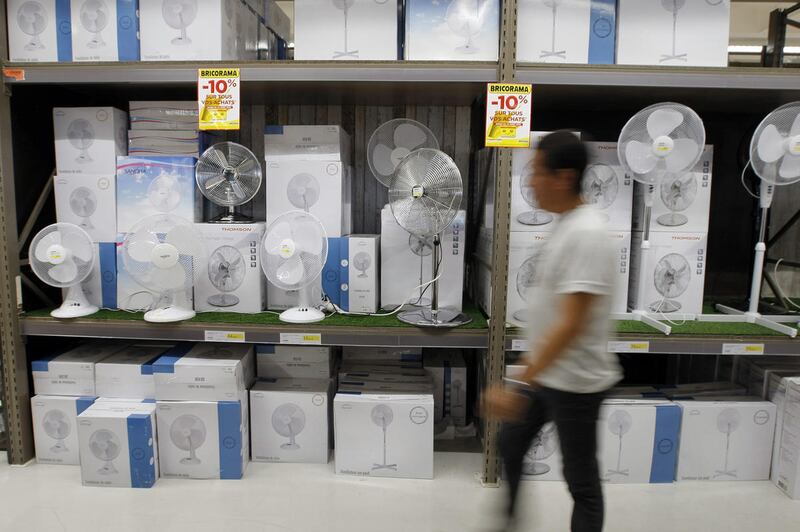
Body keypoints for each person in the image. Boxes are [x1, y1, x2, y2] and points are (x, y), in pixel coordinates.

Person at [485, 131, 622, 532]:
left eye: (536, 173)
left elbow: (571, 324)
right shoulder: (568, 224)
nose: (529, 182)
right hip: (550, 373)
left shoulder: (587, 233)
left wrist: (519, 382)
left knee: (581, 481)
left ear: (563, 177)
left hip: (577, 381)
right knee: (510, 443)